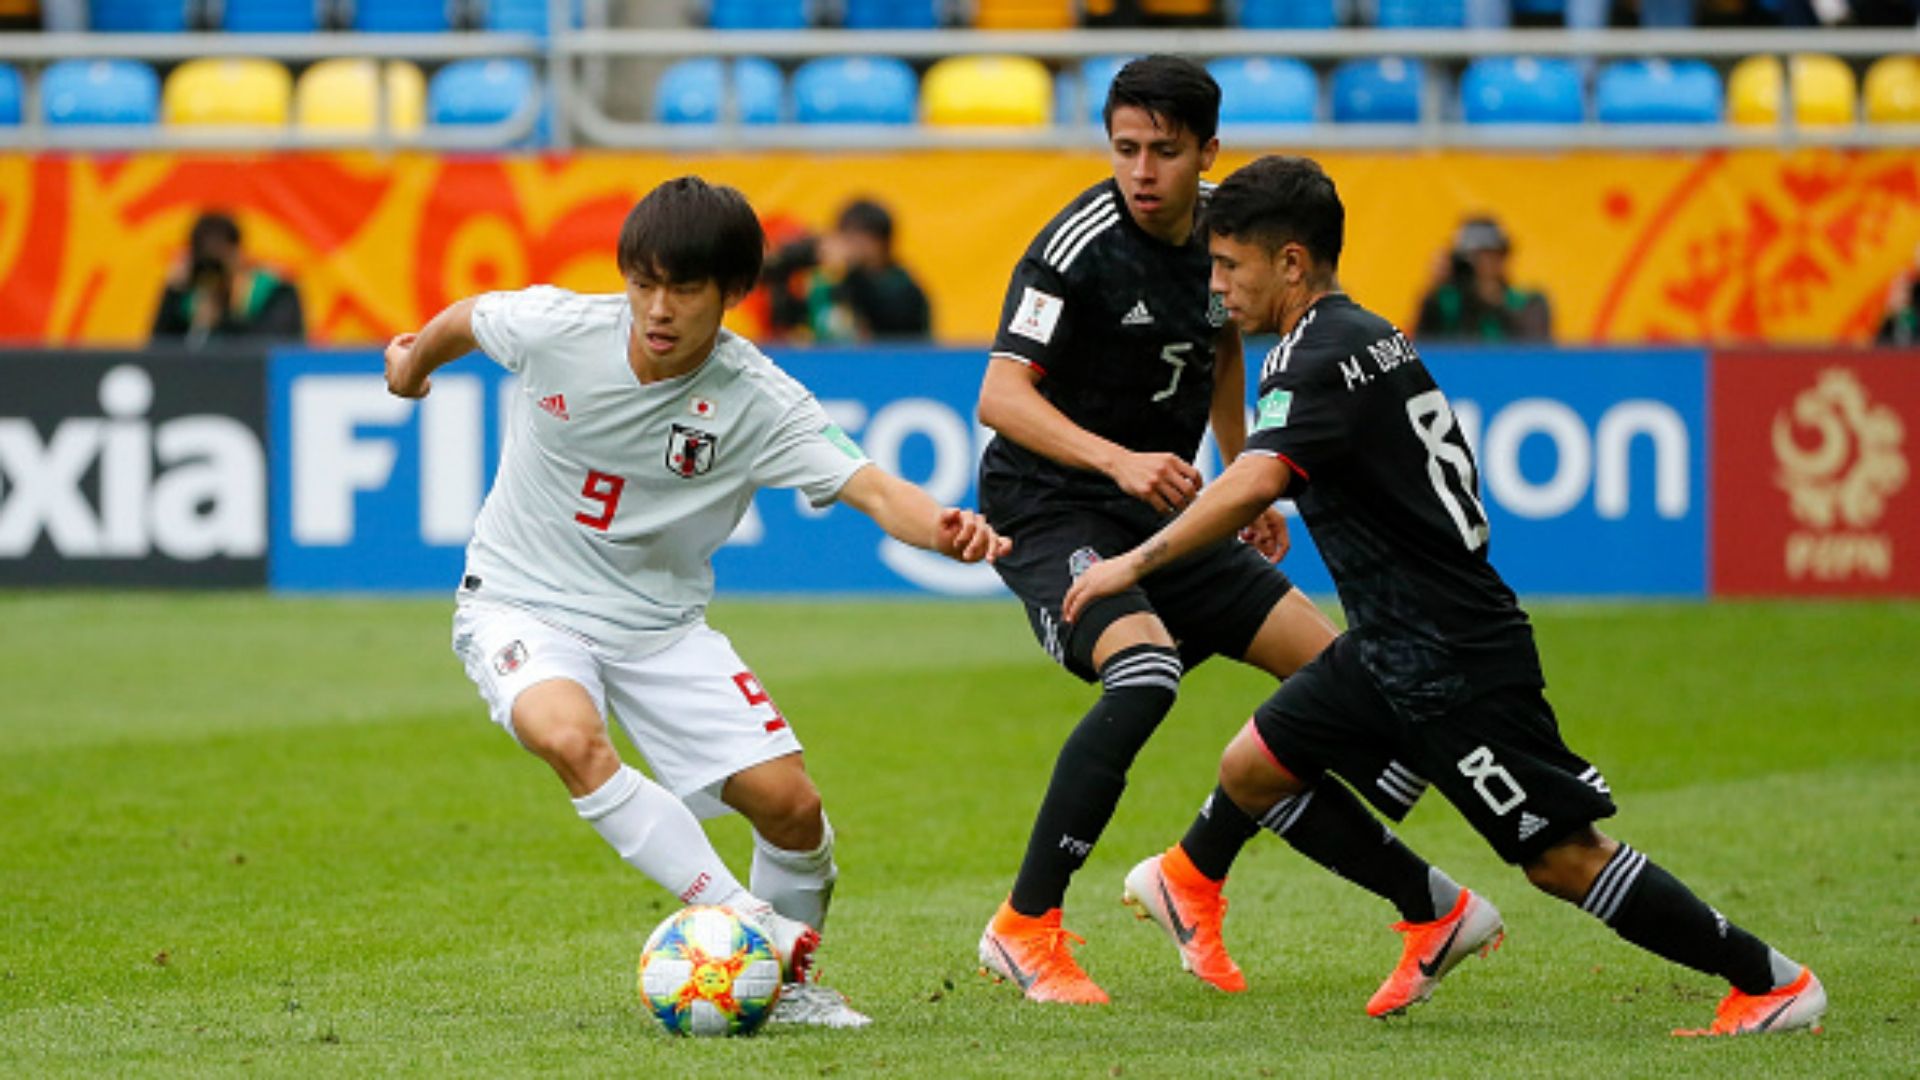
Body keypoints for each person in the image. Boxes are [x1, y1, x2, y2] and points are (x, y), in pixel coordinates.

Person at [1065, 154, 1826, 1036]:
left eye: (1230, 265)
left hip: (1448, 657)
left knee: (1559, 857)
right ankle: (1410, 911)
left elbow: (1255, 480)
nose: (1217, 284)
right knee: (1252, 769)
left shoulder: (1311, 357)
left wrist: (1130, 564)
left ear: (1292, 264)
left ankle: (1770, 981)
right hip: (1392, 643)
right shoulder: (1366, 332)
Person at [382, 176, 1009, 1030]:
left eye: (684, 288)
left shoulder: (759, 399)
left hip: (659, 627)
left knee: (793, 809)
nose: (658, 309)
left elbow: (871, 487)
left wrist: (947, 528)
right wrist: (411, 366)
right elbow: (467, 318)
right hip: (523, 598)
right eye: (644, 283)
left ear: (732, 293)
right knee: (565, 734)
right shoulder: (560, 328)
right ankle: (751, 924)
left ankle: (785, 992)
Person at [973, 55, 1413, 1007]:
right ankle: (1025, 927)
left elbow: (1221, 352)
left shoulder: (1225, 242)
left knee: (1337, 683)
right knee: (1144, 673)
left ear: (1206, 151)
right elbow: (1000, 396)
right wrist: (1119, 459)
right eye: (1125, 148)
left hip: (1160, 508)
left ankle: (1225, 882)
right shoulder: (1076, 248)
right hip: (1053, 509)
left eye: (1163, 152)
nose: (1140, 170)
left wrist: (1241, 486)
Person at [763, 198, 931, 343]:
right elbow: (788, 318)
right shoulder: (828, 283)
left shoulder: (903, 287)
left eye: (858, 238)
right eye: (846, 237)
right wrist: (793, 264)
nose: (851, 247)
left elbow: (892, 326)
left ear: (881, 243)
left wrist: (849, 271)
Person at [151, 211, 305, 348]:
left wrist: (223, 320)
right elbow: (158, 349)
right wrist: (172, 295)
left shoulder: (274, 292)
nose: (214, 272)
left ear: (237, 254)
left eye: (220, 258)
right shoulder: (188, 298)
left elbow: (273, 347)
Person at [1413, 216, 1551, 344]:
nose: (1486, 263)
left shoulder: (1527, 303)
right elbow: (1423, 347)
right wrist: (1433, 288)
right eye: (1476, 256)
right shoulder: (1446, 303)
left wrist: (1494, 301)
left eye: (1492, 254)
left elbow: (1536, 350)